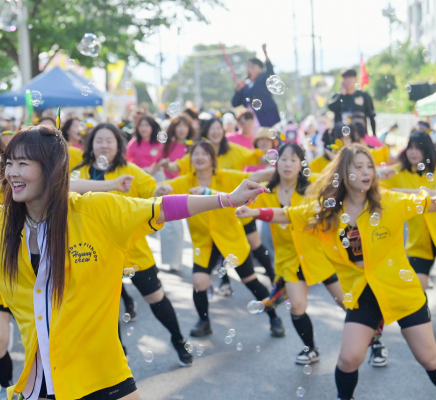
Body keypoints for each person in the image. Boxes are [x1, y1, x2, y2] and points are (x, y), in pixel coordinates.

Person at [0, 125, 268, 400]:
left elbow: (163, 206)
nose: (10, 172)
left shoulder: (98, 211)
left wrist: (226, 199)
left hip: (105, 377)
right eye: (9, 163)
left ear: (52, 169)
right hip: (43, 383)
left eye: (22, 163)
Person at [243, 143, 436, 400]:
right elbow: (289, 214)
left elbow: (429, 202)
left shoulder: (390, 201)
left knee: (429, 358)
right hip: (362, 293)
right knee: (348, 359)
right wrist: (254, 211)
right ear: (344, 172)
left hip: (401, 291)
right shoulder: (328, 209)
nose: (367, 172)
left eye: (370, 166)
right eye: (359, 167)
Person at [236, 143, 389, 367]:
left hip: (320, 256)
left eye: (293, 159)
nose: (288, 164)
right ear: (276, 163)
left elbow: (344, 177)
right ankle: (310, 348)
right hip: (289, 260)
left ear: (301, 164)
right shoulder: (266, 191)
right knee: (297, 306)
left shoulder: (314, 186)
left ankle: (376, 344)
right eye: (283, 159)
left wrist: (376, 173)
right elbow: (237, 189)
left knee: (350, 304)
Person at [73, 123, 193, 366]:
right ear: (91, 145)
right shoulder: (79, 173)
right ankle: (118, 357)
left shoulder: (131, 171)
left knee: (155, 297)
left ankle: (179, 340)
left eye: (109, 140)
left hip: (133, 250)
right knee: (107, 308)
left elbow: (153, 192)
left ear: (119, 145)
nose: (104, 144)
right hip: (95, 253)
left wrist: (161, 188)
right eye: (99, 140)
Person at [154, 141, 286, 338]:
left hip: (230, 238)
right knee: (199, 283)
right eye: (195, 154)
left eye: (204, 154)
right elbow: (163, 189)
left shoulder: (226, 176)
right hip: (204, 242)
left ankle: (274, 317)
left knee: (250, 280)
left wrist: (281, 168)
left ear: (212, 159)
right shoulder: (185, 181)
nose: (199, 157)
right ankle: (204, 321)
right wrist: (159, 189)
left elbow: (254, 177)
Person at [381, 131, 436, 291]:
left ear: (427, 151)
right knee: (417, 288)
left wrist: (402, 191)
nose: (413, 152)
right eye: (410, 148)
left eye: (418, 149)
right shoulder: (398, 171)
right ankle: (422, 316)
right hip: (419, 241)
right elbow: (378, 189)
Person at [157, 116, 194, 272]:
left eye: (185, 126)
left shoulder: (192, 146)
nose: (182, 129)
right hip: (172, 190)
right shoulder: (167, 146)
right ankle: (174, 261)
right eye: (179, 126)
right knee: (173, 229)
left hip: (192, 189)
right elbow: (161, 164)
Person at [231, 44, 280, 127]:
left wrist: (265, 53)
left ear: (261, 69)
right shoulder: (245, 86)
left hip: (268, 120)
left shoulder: (263, 78)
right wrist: (238, 90)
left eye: (253, 67)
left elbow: (270, 71)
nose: (249, 69)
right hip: (251, 123)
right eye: (248, 67)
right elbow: (235, 104)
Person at [328, 69, 377, 136]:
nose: (348, 80)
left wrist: (374, 135)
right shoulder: (337, 96)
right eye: (345, 78)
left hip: (359, 135)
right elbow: (331, 107)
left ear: (355, 79)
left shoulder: (363, 95)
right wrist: (342, 94)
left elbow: (371, 116)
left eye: (350, 77)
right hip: (341, 136)